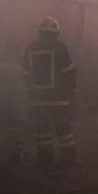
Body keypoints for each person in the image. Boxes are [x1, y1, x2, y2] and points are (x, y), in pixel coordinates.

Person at [22, 17, 77, 168]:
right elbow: (69, 71)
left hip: (38, 99)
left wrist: (29, 91)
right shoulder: (59, 47)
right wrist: (72, 90)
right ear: (56, 31)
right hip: (59, 98)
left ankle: (45, 160)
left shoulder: (30, 48)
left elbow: (25, 73)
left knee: (42, 132)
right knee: (64, 132)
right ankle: (68, 161)